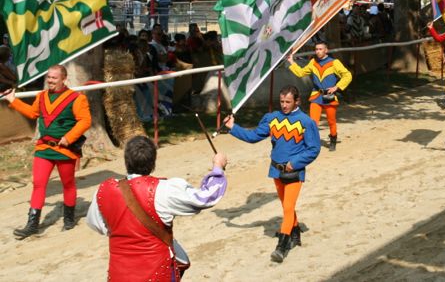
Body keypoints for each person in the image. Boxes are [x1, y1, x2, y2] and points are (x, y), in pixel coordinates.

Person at [86, 136, 228, 281]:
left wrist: (124, 232)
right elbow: (205, 198)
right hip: (156, 273)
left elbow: (95, 223)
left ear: (126, 161)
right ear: (153, 162)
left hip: (119, 275)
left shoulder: (104, 191)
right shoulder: (164, 190)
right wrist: (218, 166)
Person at [225, 85, 320, 263]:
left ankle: (281, 247)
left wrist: (295, 163)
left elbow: (314, 149)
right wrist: (233, 127)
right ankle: (295, 231)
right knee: (286, 206)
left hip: (294, 173)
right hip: (276, 171)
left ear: (297, 101)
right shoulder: (272, 118)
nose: (284, 105)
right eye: (282, 101)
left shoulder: (306, 122)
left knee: (288, 207)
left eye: (288, 102)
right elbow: (253, 137)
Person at [2, 65, 91, 239]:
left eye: (54, 78)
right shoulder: (41, 96)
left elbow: (85, 121)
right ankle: (32, 225)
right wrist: (13, 100)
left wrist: (69, 137)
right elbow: (32, 113)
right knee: (38, 184)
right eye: (48, 77)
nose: (50, 80)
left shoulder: (77, 98)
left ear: (64, 79)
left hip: (65, 149)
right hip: (44, 148)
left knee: (68, 184)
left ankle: (69, 219)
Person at [287, 42, 352, 151]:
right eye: (316, 49)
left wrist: (337, 87)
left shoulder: (334, 62)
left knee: (331, 121)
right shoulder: (313, 62)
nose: (318, 51)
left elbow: (347, 75)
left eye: (320, 49)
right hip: (316, 95)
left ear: (326, 50)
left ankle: (333, 139)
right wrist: (291, 61)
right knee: (312, 122)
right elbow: (301, 73)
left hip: (329, 95)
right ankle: (310, 143)